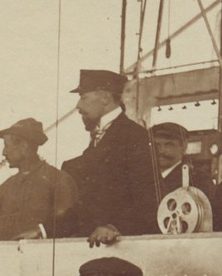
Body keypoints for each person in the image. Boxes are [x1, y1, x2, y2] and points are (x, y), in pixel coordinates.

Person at [61, 69, 159, 244]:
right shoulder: (99, 140)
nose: (78, 106)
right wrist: (42, 230)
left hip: (121, 247)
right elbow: (86, 206)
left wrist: (115, 227)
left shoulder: (135, 136)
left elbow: (148, 200)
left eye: (83, 97)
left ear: (105, 98)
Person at [0, 118, 79, 240]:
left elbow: (69, 229)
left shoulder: (59, 181)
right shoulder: (5, 188)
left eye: (6, 146)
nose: (4, 152)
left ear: (24, 146)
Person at [149, 121, 215, 201]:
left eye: (169, 145)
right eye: (157, 145)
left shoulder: (198, 179)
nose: (161, 151)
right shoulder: (145, 178)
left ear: (183, 147)